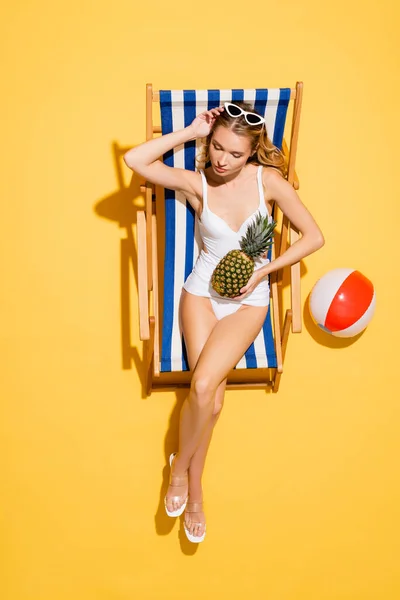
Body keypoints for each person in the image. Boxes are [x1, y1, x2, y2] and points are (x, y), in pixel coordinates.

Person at [124, 101, 325, 543]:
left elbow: (314, 237)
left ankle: (179, 473)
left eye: (235, 154)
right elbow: (134, 160)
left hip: (247, 302)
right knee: (210, 401)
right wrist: (190, 130)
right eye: (216, 147)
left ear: (252, 153)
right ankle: (195, 492)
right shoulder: (198, 185)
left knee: (202, 391)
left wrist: (262, 270)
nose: (222, 159)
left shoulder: (268, 182)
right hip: (200, 295)